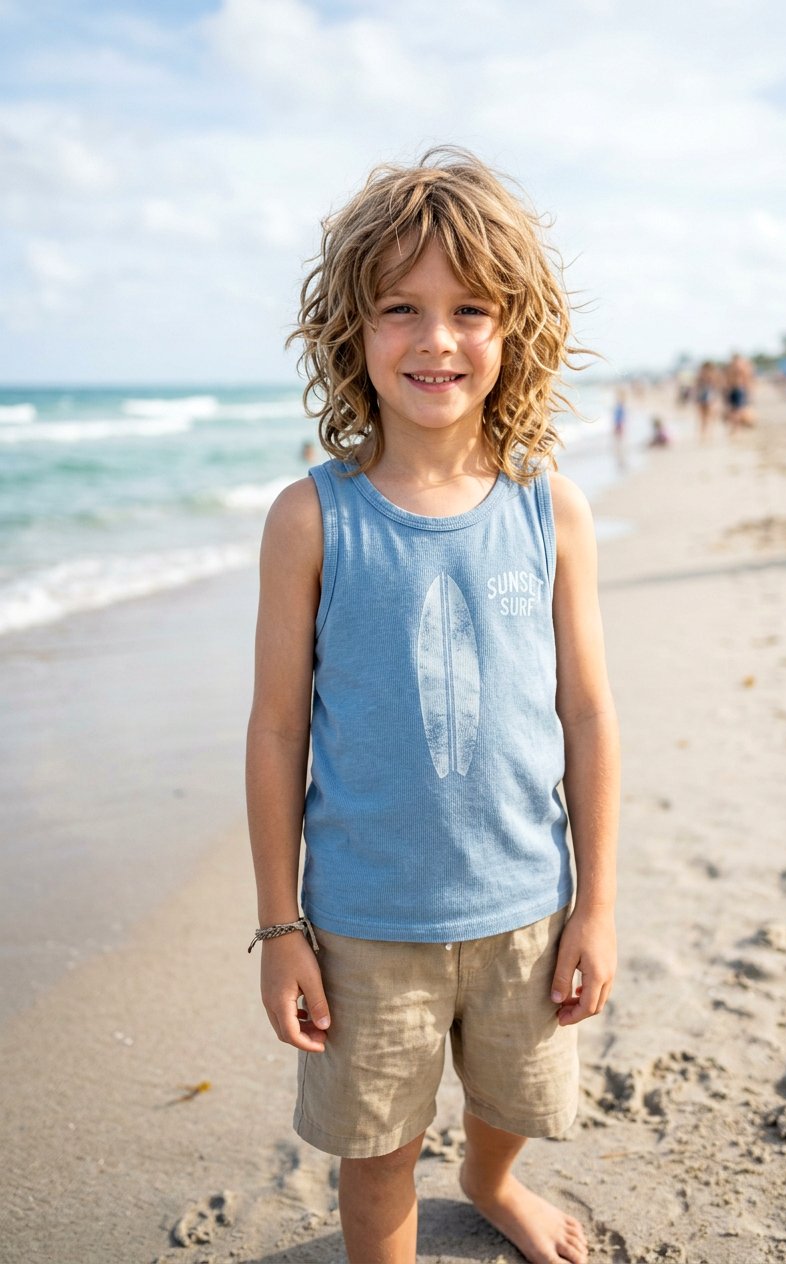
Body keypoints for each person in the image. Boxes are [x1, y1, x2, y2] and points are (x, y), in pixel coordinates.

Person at [245, 147, 620, 1264]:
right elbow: (276, 729)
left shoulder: (549, 507)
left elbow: (588, 715)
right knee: (374, 1151)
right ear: (351, 330)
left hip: (525, 906)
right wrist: (279, 925)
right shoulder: (312, 518)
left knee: (514, 1099)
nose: (436, 338)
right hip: (363, 922)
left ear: (517, 329)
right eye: (400, 308)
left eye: (469, 308)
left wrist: (595, 905)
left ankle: (491, 1180)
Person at [724, 352, 755, 432]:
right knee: (736, 410)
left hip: (736, 389)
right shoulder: (739, 367)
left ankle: (736, 427)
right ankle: (736, 427)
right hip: (736, 389)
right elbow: (747, 380)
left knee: (736, 410)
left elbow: (746, 380)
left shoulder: (733, 368)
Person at [693, 360, 719, 440]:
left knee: (707, 417)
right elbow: (697, 387)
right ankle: (705, 434)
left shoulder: (706, 375)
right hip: (704, 396)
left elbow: (715, 387)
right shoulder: (703, 375)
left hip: (707, 396)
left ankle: (706, 434)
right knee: (704, 417)